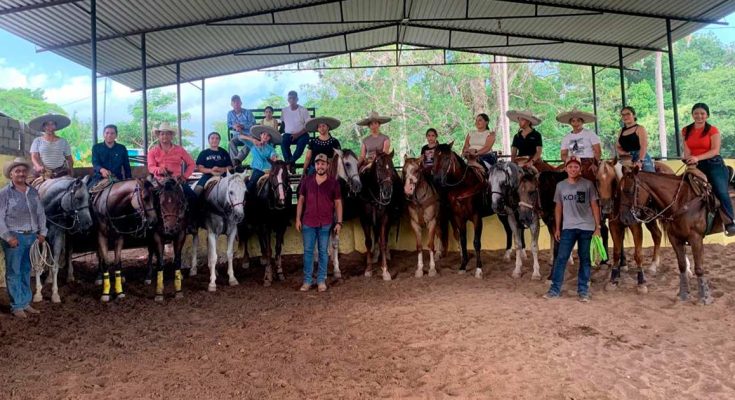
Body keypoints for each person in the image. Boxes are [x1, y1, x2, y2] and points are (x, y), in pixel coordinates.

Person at [544, 157, 601, 302]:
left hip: (586, 227)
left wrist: (597, 227)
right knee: (561, 258)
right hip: (568, 227)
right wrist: (557, 228)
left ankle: (583, 291)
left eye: (576, 167)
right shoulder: (561, 186)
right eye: (570, 167)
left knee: (585, 259)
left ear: (580, 169)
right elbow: (558, 207)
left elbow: (594, 206)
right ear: (566, 169)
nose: (573, 169)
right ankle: (554, 289)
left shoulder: (588, 185)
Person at [0, 158, 47, 318]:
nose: (21, 173)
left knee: (26, 270)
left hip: (31, 237)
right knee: (14, 271)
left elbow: (40, 213)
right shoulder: (4, 193)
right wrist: (8, 237)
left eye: (23, 170)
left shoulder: (33, 192)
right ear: (11, 174)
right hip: (14, 237)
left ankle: (25, 302)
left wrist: (43, 233)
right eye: (17, 171)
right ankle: (16, 305)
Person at [682, 103, 735, 236]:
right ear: (692, 115)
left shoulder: (713, 130)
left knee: (720, 191)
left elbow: (714, 150)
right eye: (696, 113)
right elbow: (687, 149)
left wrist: (696, 158)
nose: (699, 116)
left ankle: (730, 222)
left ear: (707, 115)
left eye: (702, 113)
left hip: (713, 164)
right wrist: (689, 159)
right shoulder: (685, 130)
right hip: (695, 165)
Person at [295, 153, 343, 292]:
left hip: (325, 223)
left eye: (323, 163)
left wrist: (339, 222)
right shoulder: (307, 181)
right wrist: (298, 218)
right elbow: (301, 201)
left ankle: (321, 280)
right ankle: (307, 281)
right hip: (308, 222)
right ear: (314, 165)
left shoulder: (333, 183)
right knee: (308, 251)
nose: (320, 166)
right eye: (317, 163)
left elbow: (338, 203)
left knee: (323, 251)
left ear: (327, 166)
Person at [146, 122, 197, 203]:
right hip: (159, 181)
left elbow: (192, 164)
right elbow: (151, 167)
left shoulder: (180, 150)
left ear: (171, 136)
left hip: (176, 181)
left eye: (167, 134)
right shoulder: (152, 151)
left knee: (193, 198)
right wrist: (160, 170)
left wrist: (184, 177)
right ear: (158, 136)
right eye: (162, 134)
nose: (164, 136)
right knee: (147, 200)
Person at [557, 108, 601, 176]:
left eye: (578, 120)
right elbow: (563, 155)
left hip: (588, 162)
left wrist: (595, 164)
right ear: (570, 123)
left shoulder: (590, 134)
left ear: (582, 122)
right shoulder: (566, 138)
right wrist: (570, 160)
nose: (576, 123)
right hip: (572, 162)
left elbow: (598, 151)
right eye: (573, 121)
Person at [29, 113, 73, 178]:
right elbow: (34, 156)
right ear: (43, 127)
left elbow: (69, 159)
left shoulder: (63, 141)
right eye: (47, 124)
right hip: (43, 172)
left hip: (61, 171)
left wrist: (71, 172)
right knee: (32, 184)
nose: (50, 127)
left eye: (52, 124)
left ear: (55, 126)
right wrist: (38, 166)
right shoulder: (37, 141)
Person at [242, 125, 281, 194]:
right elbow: (240, 137)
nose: (265, 136)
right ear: (260, 135)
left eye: (268, 135)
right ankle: (246, 200)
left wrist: (274, 158)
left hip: (268, 170)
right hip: (257, 170)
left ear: (269, 138)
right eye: (264, 134)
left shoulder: (271, 148)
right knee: (251, 185)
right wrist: (253, 140)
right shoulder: (253, 144)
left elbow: (273, 155)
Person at [616, 106, 655, 172]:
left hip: (640, 156)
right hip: (625, 158)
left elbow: (644, 146)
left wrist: (640, 161)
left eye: (628, 114)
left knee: (650, 176)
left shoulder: (640, 128)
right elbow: (617, 146)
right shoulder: (621, 131)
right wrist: (623, 152)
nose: (625, 117)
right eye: (623, 115)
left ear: (634, 115)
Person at [280, 91, 311, 171]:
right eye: (290, 98)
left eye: (294, 98)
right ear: (288, 100)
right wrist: (278, 133)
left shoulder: (303, 110)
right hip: (288, 134)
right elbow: (283, 124)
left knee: (302, 142)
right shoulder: (284, 110)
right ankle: (291, 164)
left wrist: (297, 134)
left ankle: (290, 162)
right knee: (283, 142)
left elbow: (308, 125)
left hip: (302, 134)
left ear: (297, 99)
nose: (292, 100)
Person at [226, 95, 256, 166]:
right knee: (231, 143)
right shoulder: (230, 113)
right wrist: (234, 126)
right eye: (234, 102)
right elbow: (229, 124)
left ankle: (237, 160)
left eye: (238, 102)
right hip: (237, 135)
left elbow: (253, 123)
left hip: (247, 135)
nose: (236, 104)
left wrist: (243, 126)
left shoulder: (247, 112)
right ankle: (236, 165)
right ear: (231, 104)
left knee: (250, 142)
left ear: (241, 103)